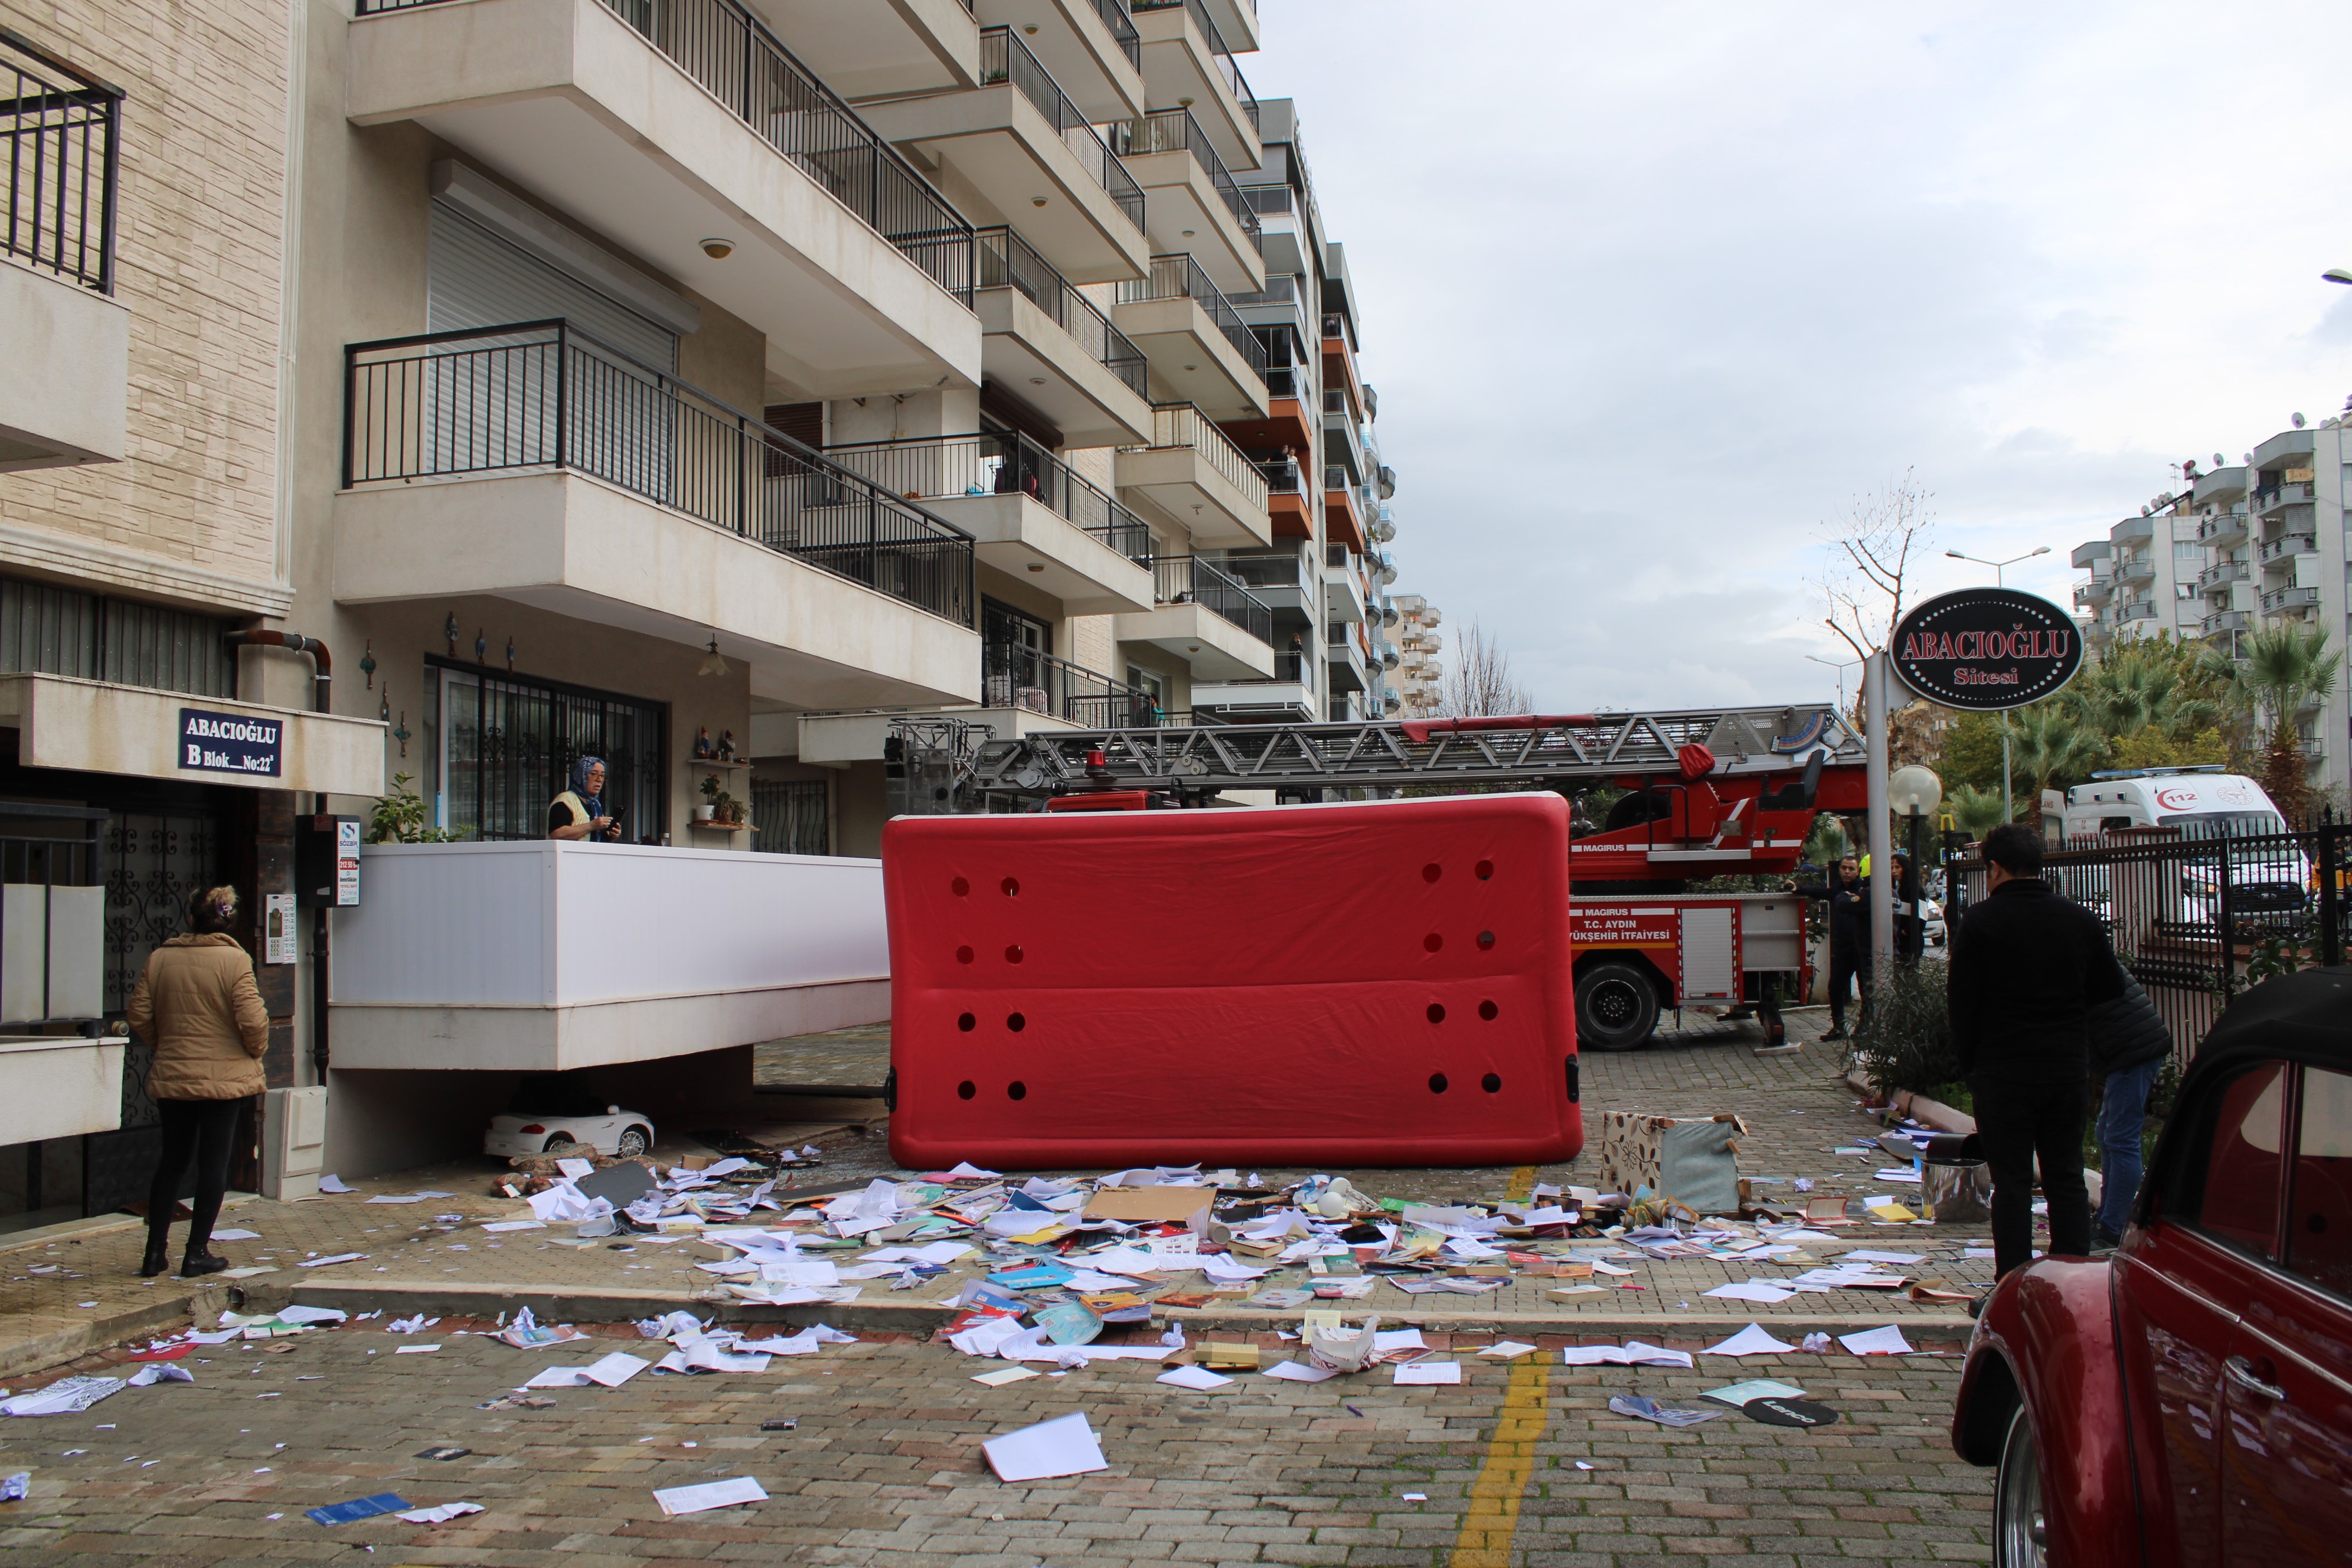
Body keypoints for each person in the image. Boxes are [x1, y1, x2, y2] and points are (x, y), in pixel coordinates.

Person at [1948, 822, 2126, 1286]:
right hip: (2066, 1066)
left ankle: (2013, 1284)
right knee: (2066, 1177)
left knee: (2012, 1185)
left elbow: (1962, 1004)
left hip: (2003, 1070)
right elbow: (2109, 988)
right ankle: (2071, 1284)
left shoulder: (1981, 923)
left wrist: (1972, 1067)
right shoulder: (2080, 920)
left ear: (1996, 868)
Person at [128, 885, 269, 1279]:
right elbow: (253, 1020)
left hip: (174, 1077)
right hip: (223, 1081)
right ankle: (196, 1253)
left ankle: (154, 1254)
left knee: (172, 1161)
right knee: (213, 1164)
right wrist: (253, 1052)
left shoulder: (160, 959)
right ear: (229, 923)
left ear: (191, 919)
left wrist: (167, 1045)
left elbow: (139, 1013)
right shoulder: (235, 960)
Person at [2086, 969, 2170, 1248]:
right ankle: (2107, 1218)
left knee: (2120, 1136)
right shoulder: (2082, 949)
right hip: (2130, 1048)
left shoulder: (2066, 959)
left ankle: (2114, 1226)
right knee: (2107, 1132)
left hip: (2132, 1051)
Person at [1789, 855, 1870, 1041]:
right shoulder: (1837, 890)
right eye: (1844, 868)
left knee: (1866, 989)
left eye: (1851, 869)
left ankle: (1864, 1028)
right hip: (1843, 948)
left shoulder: (1864, 890)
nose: (1847, 872)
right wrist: (1798, 888)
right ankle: (1839, 1027)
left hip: (1861, 948)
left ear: (1858, 871)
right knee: (1835, 988)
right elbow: (1820, 892)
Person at [549, 755, 621, 842]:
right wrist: (591, 826)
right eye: (594, 774)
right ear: (580, 775)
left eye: (602, 776)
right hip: (569, 855)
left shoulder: (595, 804)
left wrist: (610, 836)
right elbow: (556, 834)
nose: (599, 780)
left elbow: (594, 840)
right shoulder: (566, 800)